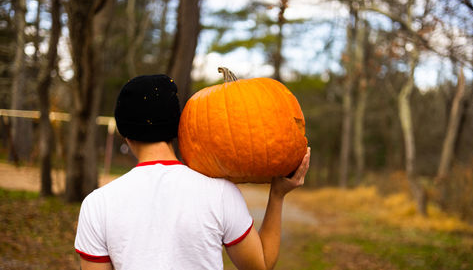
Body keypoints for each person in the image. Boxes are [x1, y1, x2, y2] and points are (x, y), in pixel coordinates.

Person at [74, 74, 311, 270]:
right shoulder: (220, 193)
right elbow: (261, 265)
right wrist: (277, 196)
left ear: (124, 131)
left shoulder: (97, 204)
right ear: (177, 127)